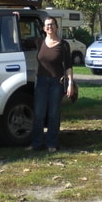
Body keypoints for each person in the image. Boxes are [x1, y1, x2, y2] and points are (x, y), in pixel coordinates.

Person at [28, 16, 74, 153]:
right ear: (43, 28)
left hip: (56, 82)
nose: (50, 27)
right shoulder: (39, 42)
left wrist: (70, 82)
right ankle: (36, 144)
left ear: (56, 27)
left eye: (52, 24)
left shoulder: (63, 44)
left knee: (54, 114)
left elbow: (69, 66)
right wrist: (14, 18)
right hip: (40, 81)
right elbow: (16, 39)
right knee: (39, 113)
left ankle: (51, 143)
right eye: (47, 25)